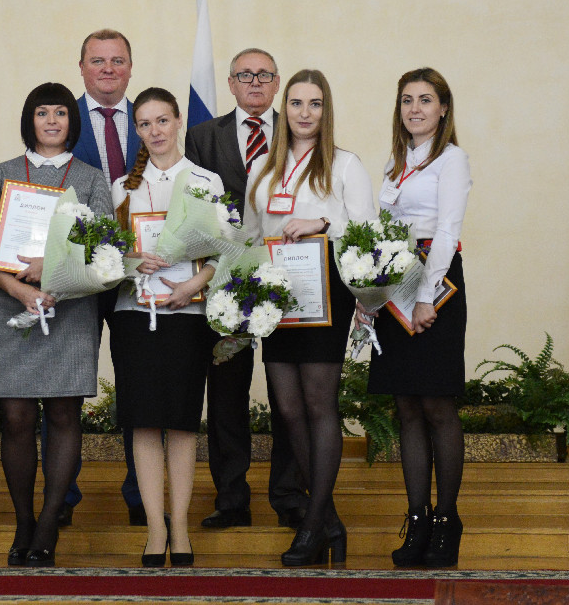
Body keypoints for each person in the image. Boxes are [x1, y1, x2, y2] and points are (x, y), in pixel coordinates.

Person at [0, 82, 114, 567]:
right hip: (9, 306)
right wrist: (20, 288)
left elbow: (103, 250)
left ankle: (50, 522)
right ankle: (23, 522)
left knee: (62, 416)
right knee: (15, 418)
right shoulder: (4, 173)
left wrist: (53, 280)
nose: (52, 120)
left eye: (60, 112)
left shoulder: (93, 178)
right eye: (41, 112)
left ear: (72, 121)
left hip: (69, 310)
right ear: (29, 120)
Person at [242, 69, 375, 566]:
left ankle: (312, 525)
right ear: (284, 109)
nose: (304, 113)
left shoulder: (344, 165)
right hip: (277, 301)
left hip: (326, 297)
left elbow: (366, 228)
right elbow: (252, 236)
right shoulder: (264, 168)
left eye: (315, 104)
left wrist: (323, 221)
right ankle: (329, 521)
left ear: (326, 110)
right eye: (296, 103)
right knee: (288, 409)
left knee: (319, 406)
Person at [185, 48, 305, 530]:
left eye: (264, 75)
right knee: (227, 392)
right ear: (231, 84)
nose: (254, 82)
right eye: (244, 75)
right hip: (224, 281)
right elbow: (192, 209)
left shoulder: (298, 130)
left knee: (288, 393)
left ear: (277, 84)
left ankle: (290, 494)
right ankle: (231, 497)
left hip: (287, 277)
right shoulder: (201, 136)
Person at [364, 68, 471, 568]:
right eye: (407, 100)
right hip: (396, 283)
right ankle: (418, 519)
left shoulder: (452, 159)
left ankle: (448, 521)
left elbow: (447, 231)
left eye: (425, 100)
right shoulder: (394, 162)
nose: (415, 109)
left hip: (436, 282)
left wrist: (427, 296)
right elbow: (378, 230)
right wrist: (370, 293)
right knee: (405, 405)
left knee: (437, 405)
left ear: (443, 108)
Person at [110, 88, 220, 567]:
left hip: (187, 314)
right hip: (135, 315)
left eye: (162, 121)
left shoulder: (205, 181)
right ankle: (154, 528)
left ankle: (180, 527)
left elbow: (222, 252)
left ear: (178, 123)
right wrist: (133, 261)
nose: (154, 131)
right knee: (143, 419)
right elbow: (105, 256)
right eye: (144, 124)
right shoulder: (122, 188)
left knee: (179, 422)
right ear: (136, 131)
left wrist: (192, 283)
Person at [65, 28, 145, 526]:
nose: (108, 69)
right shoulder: (58, 117)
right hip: (76, 277)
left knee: (138, 384)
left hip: (137, 277)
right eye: (98, 61)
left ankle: (141, 494)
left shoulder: (150, 119)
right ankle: (62, 495)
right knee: (67, 385)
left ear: (131, 68)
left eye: (118, 60)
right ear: (82, 68)